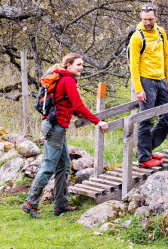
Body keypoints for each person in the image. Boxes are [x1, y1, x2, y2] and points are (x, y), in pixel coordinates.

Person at [21, 53, 109, 218]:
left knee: (64, 166)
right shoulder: (67, 80)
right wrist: (98, 122)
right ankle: (30, 203)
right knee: (48, 166)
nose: (81, 67)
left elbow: (72, 107)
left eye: (82, 64)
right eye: (78, 64)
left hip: (57, 126)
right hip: (55, 127)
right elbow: (79, 105)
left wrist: (80, 115)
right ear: (69, 65)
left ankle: (60, 204)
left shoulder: (65, 79)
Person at [129, 5, 168, 168]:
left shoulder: (161, 32)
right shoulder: (137, 36)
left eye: (150, 19)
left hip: (161, 79)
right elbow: (133, 65)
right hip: (145, 80)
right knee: (145, 119)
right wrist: (139, 89)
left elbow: (167, 56)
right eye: (144, 19)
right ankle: (144, 157)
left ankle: (147, 149)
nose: (147, 22)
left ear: (156, 17)